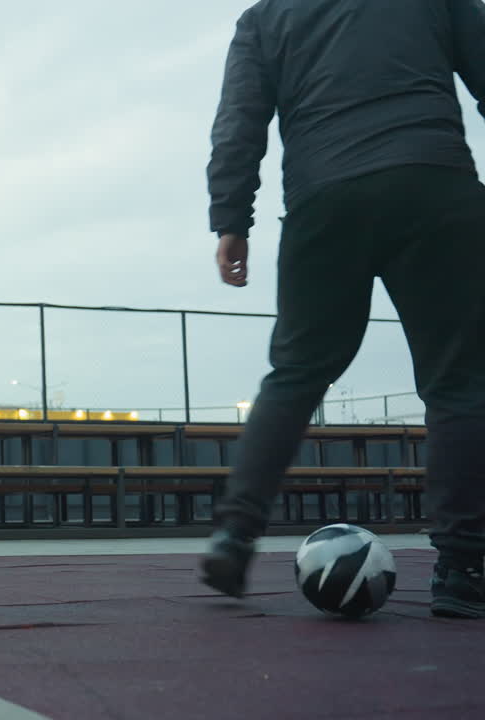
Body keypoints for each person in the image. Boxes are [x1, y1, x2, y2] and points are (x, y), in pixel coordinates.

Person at [201, 0, 485, 618]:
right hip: (433, 183)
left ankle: (234, 533)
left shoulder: (266, 19)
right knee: (460, 379)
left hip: (323, 200)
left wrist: (230, 218)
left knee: (296, 373)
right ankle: (464, 568)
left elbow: (239, 122)